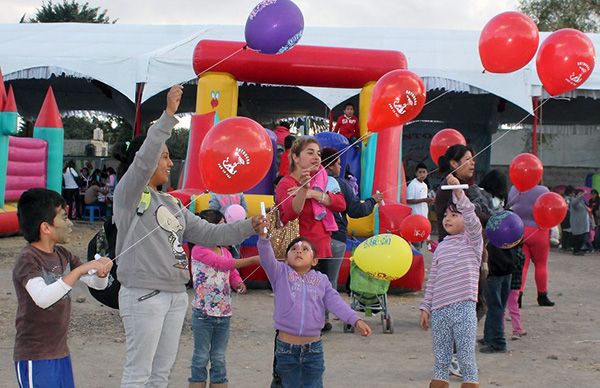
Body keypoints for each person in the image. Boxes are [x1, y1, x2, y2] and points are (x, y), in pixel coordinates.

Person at [113, 85, 267, 388]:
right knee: (139, 372)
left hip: (175, 295)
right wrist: (169, 117)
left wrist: (251, 224)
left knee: (161, 374)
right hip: (144, 294)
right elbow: (143, 162)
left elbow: (210, 233)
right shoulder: (128, 195)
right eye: (165, 157)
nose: (170, 164)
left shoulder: (171, 203)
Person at [13, 188, 113, 387]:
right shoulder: (28, 259)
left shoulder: (63, 254)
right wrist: (77, 272)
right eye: (64, 217)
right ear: (46, 228)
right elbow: (42, 298)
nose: (70, 223)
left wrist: (103, 272)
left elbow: (96, 285)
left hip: (60, 353)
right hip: (35, 356)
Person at [258, 230, 372, 387]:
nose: (299, 250)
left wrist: (355, 320)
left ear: (314, 260)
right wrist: (264, 238)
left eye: (305, 249)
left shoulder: (322, 280)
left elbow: (335, 302)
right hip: (286, 350)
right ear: (285, 259)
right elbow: (266, 258)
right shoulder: (279, 273)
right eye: (294, 249)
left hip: (314, 350)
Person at [275, 137, 346, 332]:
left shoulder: (324, 178)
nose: (316, 157)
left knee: (322, 290)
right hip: (298, 250)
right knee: (297, 295)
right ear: (296, 157)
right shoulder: (286, 183)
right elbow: (290, 213)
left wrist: (314, 194)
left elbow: (341, 204)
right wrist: (302, 190)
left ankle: (321, 321)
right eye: (310, 152)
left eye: (318, 153)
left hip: (321, 246)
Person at [420, 174, 483, 388]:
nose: (447, 218)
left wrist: (458, 193)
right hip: (439, 310)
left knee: (466, 358)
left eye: (454, 215)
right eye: (446, 214)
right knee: (441, 360)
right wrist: (425, 307)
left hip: (464, 308)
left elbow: (473, 221)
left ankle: (471, 382)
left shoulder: (473, 242)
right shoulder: (442, 246)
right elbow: (433, 281)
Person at [189, 209, 260, 388]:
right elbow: (223, 264)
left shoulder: (224, 250)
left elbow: (232, 271)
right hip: (203, 313)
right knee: (201, 356)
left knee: (219, 357)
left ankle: (218, 383)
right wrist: (253, 260)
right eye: (220, 227)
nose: (224, 232)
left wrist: (237, 282)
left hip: (224, 313)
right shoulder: (199, 249)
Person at [320, 147, 382, 291]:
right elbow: (356, 210)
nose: (340, 167)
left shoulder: (310, 183)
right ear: (330, 166)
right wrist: (372, 200)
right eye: (338, 163)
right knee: (330, 282)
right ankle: (324, 313)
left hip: (313, 237)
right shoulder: (341, 184)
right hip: (335, 237)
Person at [477, 170, 514, 354]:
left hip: (494, 261)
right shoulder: (506, 206)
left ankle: (498, 342)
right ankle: (490, 336)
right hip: (507, 261)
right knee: (498, 304)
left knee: (494, 304)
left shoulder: (488, 205)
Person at [508, 184, 555, 307]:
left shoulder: (515, 189)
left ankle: (518, 296)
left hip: (520, 230)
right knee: (541, 265)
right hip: (539, 230)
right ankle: (542, 296)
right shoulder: (543, 190)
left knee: (522, 266)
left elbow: (509, 205)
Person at [407, 162, 434, 248]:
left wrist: (428, 201)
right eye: (420, 172)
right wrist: (425, 200)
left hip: (423, 217)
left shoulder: (425, 185)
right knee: (416, 241)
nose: (422, 174)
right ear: (416, 173)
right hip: (415, 217)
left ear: (427, 173)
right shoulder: (412, 185)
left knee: (422, 240)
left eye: (424, 172)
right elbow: (409, 200)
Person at [506, 245, 527, 339]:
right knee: (514, 308)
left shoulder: (506, 252)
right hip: (515, 285)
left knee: (501, 308)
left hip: (505, 283)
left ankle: (500, 330)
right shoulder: (521, 254)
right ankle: (517, 330)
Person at [569, 188, 590, 256]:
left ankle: (578, 250)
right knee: (578, 237)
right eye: (580, 193)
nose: (582, 195)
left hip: (583, 223)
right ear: (576, 194)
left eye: (582, 194)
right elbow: (575, 203)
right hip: (577, 223)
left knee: (583, 237)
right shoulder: (573, 200)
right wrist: (581, 196)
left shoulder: (582, 202)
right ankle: (576, 251)